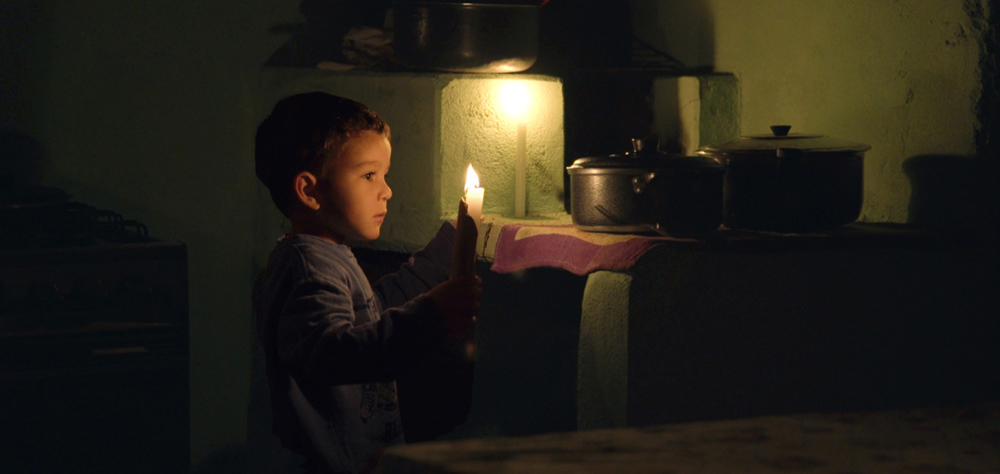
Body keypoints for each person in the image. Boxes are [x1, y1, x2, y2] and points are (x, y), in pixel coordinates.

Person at [252, 91, 480, 474]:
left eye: (384, 175)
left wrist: (449, 247)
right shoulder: (309, 268)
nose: (386, 190)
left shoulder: (322, 255)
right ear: (310, 190)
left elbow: (373, 311)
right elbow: (333, 354)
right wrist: (432, 316)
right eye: (369, 175)